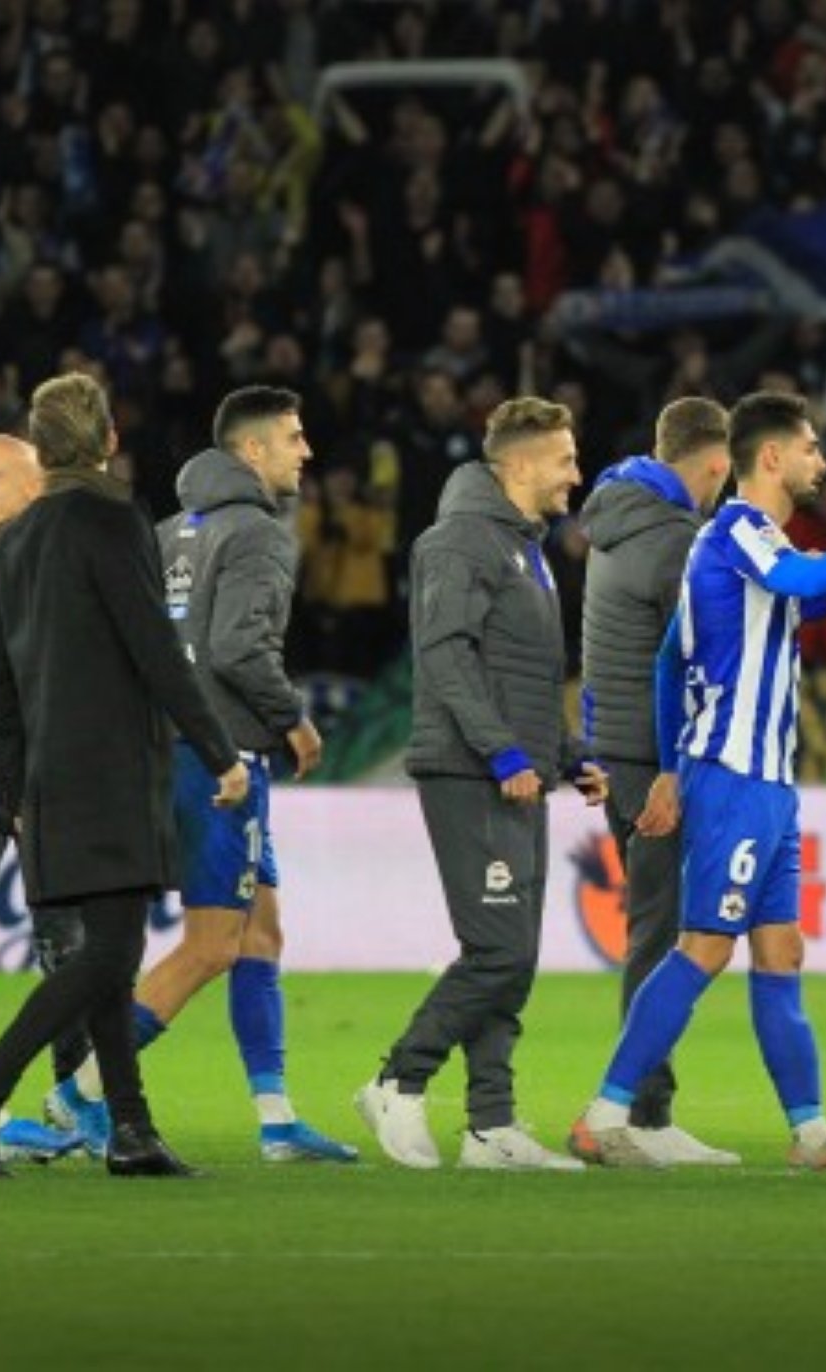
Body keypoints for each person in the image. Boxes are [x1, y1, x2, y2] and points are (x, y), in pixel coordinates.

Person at [566, 392, 826, 1171]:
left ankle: (813, 1136)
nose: (820, 463)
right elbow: (787, 583)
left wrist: (664, 765)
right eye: (811, 449)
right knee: (702, 949)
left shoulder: (746, 549)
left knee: (781, 950)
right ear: (770, 458)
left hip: (767, 782)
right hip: (732, 776)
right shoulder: (737, 532)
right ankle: (605, 1114)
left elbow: (671, 659)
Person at [0, 374, 249, 1180]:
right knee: (107, 957)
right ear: (107, 440)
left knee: (108, 958)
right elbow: (156, 649)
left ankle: (131, 1129)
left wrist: (15, 793)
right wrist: (219, 751)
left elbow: (8, 688)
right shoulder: (115, 519)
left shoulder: (8, 545)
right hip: (112, 769)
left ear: (41, 450)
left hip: (45, 776)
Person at [83, 387, 355, 1164]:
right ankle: (77, 1097)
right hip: (222, 758)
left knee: (261, 931)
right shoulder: (260, 534)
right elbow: (240, 651)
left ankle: (276, 1120)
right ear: (252, 452)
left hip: (163, 748)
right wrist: (294, 718)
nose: (306, 451)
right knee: (211, 944)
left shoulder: (170, 532)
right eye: (295, 438)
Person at [356, 397, 607, 1172]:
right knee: (496, 949)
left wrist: (564, 754)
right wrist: (502, 752)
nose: (576, 474)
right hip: (471, 770)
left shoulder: (523, 547)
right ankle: (399, 1078)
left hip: (518, 772)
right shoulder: (460, 540)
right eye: (565, 459)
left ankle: (491, 1124)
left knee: (514, 954)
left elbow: (522, 676)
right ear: (521, 465)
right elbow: (446, 656)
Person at [576, 397, 741, 1167]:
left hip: (621, 747)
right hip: (654, 761)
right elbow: (710, 642)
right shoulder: (674, 537)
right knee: (661, 934)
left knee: (658, 928)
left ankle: (641, 1106)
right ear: (716, 462)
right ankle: (640, 1112)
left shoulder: (618, 517)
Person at [0, 434, 80, 1162]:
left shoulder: (41, 575)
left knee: (80, 956)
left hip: (25, 800)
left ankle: (79, 1106)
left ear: (39, 489)